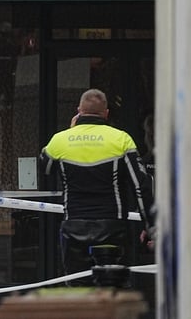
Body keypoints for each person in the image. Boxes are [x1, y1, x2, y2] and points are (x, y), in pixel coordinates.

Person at [39, 89, 155, 285]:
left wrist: (70, 131)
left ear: (78, 111)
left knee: (78, 290)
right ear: (107, 113)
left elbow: (45, 167)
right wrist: (150, 225)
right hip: (112, 226)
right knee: (112, 290)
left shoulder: (60, 140)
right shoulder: (121, 139)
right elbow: (140, 185)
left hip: (74, 225)